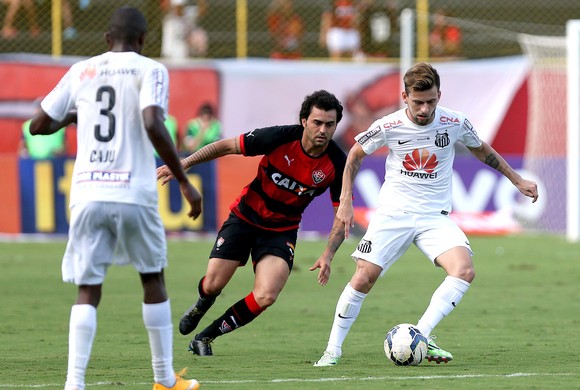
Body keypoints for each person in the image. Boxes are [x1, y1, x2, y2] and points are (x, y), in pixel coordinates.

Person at [314, 62, 539, 366]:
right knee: (364, 277)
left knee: (464, 270)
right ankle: (332, 350)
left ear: (439, 96)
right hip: (394, 214)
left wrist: (518, 180)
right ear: (404, 96)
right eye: (418, 102)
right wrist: (345, 200)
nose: (424, 109)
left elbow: (481, 149)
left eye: (431, 101)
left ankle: (421, 334)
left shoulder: (453, 121)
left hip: (434, 217)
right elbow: (355, 155)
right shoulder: (388, 125)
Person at [28, 6, 202, 390]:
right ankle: (163, 380)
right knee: (152, 277)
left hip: (88, 191)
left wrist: (77, 115)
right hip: (133, 192)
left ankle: (74, 384)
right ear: (142, 41)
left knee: (88, 287)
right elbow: (153, 121)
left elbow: (38, 124)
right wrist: (184, 181)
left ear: (107, 39)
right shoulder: (150, 69)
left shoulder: (82, 71)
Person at [156, 90, 348, 356]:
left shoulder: (338, 163)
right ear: (304, 121)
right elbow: (226, 146)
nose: (323, 130)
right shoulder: (279, 137)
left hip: (281, 231)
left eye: (330, 124)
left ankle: (205, 337)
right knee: (213, 284)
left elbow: (342, 212)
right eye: (317, 122)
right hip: (245, 218)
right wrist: (185, 163)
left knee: (266, 295)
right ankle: (203, 302)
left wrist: (328, 254)